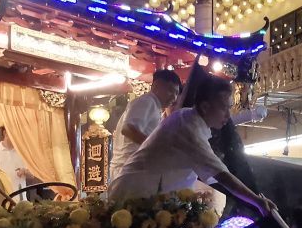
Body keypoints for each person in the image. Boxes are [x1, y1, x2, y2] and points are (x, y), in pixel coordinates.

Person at [111, 76, 274, 216]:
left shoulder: (190, 120)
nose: (228, 115)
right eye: (224, 108)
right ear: (204, 107)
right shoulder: (188, 127)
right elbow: (222, 176)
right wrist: (257, 201)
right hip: (136, 196)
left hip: (146, 196)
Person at [110, 69, 182, 177]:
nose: (174, 97)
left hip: (132, 169)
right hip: (128, 170)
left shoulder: (155, 107)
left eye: (176, 93)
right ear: (156, 86)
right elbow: (128, 130)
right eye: (170, 91)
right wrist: (156, 148)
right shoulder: (147, 101)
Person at [0, 127, 32, 199]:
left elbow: (32, 174)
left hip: (20, 200)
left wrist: (25, 171)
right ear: (5, 133)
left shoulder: (22, 152)